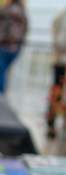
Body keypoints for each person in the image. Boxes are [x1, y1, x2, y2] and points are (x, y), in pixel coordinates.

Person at [0, 0, 27, 93]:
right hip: (15, 48)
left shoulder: (4, 10)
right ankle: (1, 98)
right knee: (3, 74)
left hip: (1, 46)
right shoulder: (22, 12)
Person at [47, 8, 66, 138]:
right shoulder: (63, 16)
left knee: (56, 95)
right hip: (61, 61)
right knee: (56, 95)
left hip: (60, 60)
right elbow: (60, 41)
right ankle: (51, 126)